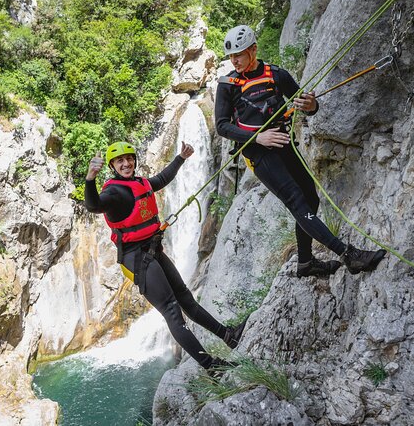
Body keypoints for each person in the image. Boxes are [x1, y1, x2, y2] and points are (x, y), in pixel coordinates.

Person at [215, 25, 386, 277]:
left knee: (311, 197)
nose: (235, 60)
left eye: (239, 54)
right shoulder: (228, 84)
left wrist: (311, 104)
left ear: (253, 49)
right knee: (296, 200)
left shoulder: (276, 75)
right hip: (259, 154)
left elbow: (305, 105)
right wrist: (258, 137)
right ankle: (348, 254)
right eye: (231, 56)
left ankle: (306, 263)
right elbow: (222, 125)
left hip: (284, 144)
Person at [84, 141, 245, 370]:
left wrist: (181, 158)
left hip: (153, 250)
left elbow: (160, 180)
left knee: (186, 299)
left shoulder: (139, 183)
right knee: (172, 310)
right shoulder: (113, 192)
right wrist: (90, 178)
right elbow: (94, 205)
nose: (126, 163)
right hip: (136, 259)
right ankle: (212, 367)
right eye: (120, 161)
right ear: (112, 166)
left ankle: (229, 336)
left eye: (129, 158)